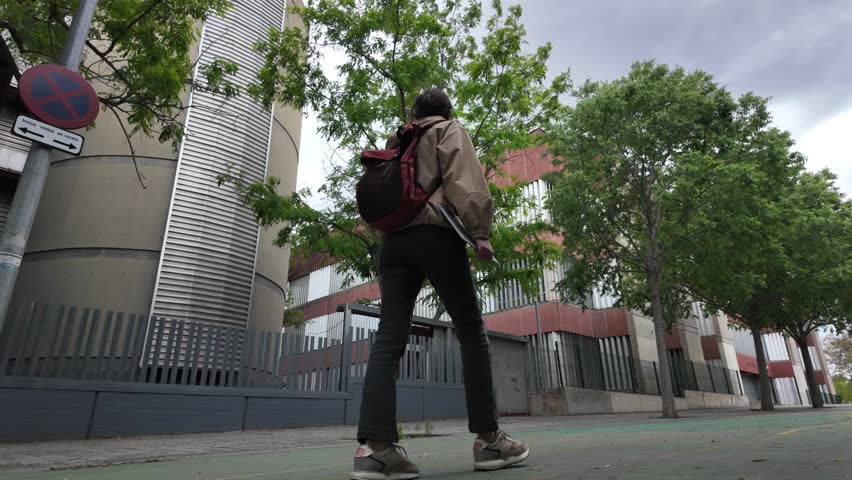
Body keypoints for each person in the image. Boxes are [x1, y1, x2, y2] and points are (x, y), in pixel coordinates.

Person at [350, 88, 530, 480]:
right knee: (470, 330)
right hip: (437, 236)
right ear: (446, 111)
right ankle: (489, 440)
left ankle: (374, 450)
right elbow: (465, 181)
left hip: (393, 244)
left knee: (389, 335)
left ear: (415, 114)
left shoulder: (398, 141)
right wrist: (480, 232)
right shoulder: (449, 131)